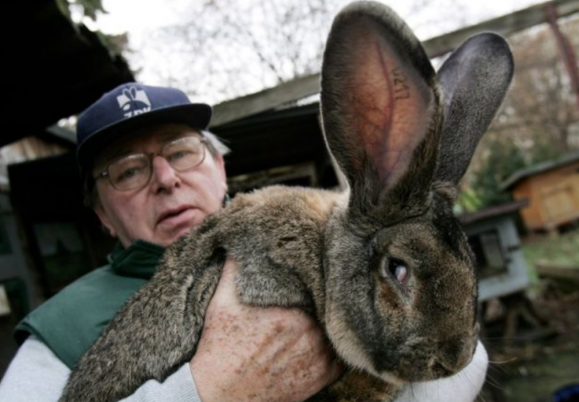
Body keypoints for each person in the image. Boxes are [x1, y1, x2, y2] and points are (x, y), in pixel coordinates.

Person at [0, 83, 489, 402]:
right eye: (129, 170)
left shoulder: (323, 237)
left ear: (221, 168)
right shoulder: (58, 329)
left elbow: (458, 368)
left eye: (181, 152)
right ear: (102, 213)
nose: (166, 179)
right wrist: (211, 389)